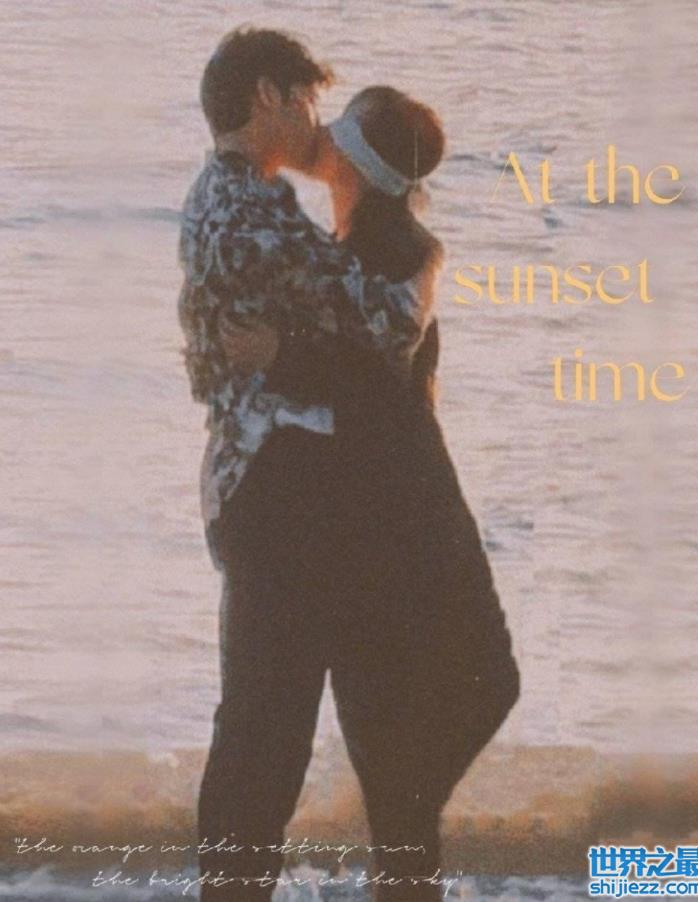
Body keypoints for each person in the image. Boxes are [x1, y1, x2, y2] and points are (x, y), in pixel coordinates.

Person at [179, 28, 518, 901]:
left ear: (359, 167)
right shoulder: (267, 215)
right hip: (308, 516)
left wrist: (280, 355)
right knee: (291, 739)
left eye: (335, 124)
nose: (316, 126)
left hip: (364, 526)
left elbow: (381, 356)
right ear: (268, 97)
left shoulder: (370, 244)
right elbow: (368, 334)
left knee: (316, 740)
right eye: (308, 103)